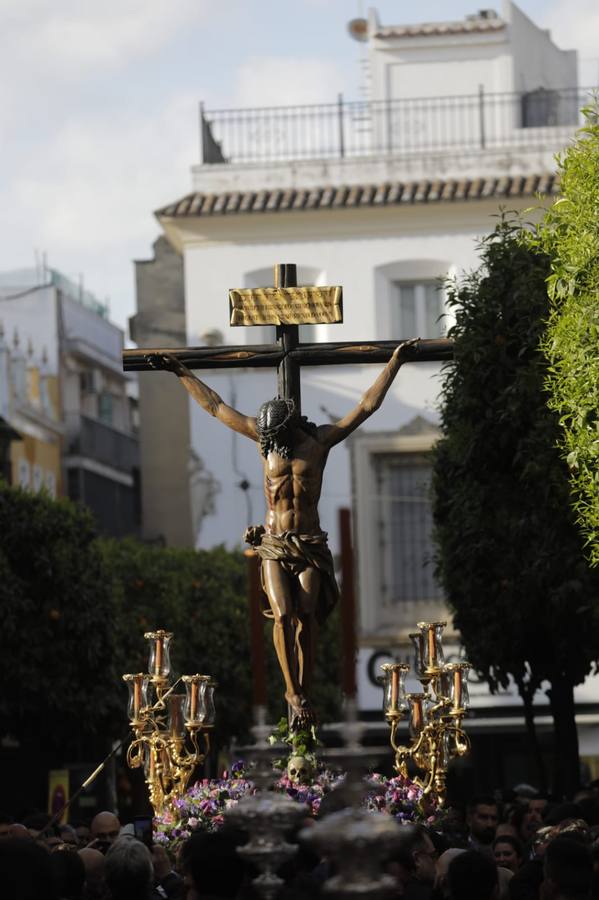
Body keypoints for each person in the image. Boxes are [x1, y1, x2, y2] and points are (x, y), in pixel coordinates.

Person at [149, 341, 416, 726]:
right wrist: (180, 372)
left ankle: (304, 690)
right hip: (274, 544)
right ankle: (292, 693)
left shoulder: (320, 442)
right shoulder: (265, 443)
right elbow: (215, 406)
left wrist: (395, 362)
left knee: (306, 617)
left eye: (277, 433)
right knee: (283, 616)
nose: (271, 439)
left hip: (308, 545)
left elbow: (366, 406)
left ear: (291, 424)